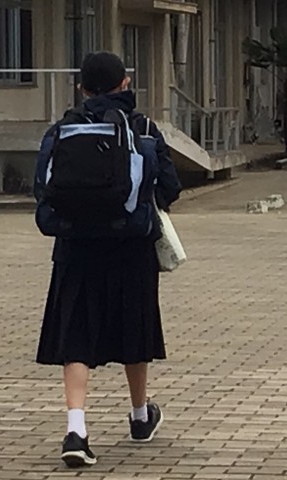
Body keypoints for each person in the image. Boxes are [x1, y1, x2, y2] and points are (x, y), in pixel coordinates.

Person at [34, 51, 182, 468]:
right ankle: (139, 415)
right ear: (126, 83)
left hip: (75, 247)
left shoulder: (62, 129)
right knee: (134, 328)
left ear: (81, 87)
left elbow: (42, 188)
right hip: (131, 246)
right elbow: (170, 186)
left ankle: (76, 430)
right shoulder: (143, 129)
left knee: (76, 335)